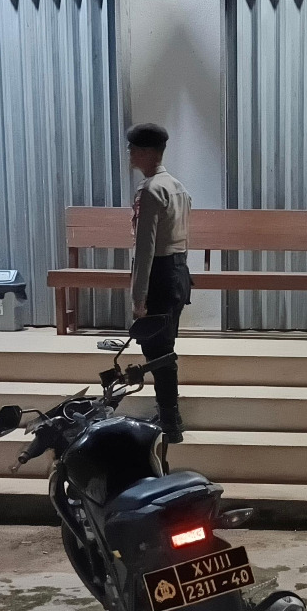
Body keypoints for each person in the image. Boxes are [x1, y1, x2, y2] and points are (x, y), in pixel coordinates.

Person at [127, 122, 192, 444]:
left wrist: (138, 298)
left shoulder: (150, 190)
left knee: (158, 352)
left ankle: (170, 422)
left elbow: (145, 248)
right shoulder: (177, 186)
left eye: (133, 149)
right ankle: (169, 416)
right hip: (178, 272)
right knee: (163, 349)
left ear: (146, 152)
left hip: (159, 274)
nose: (130, 153)